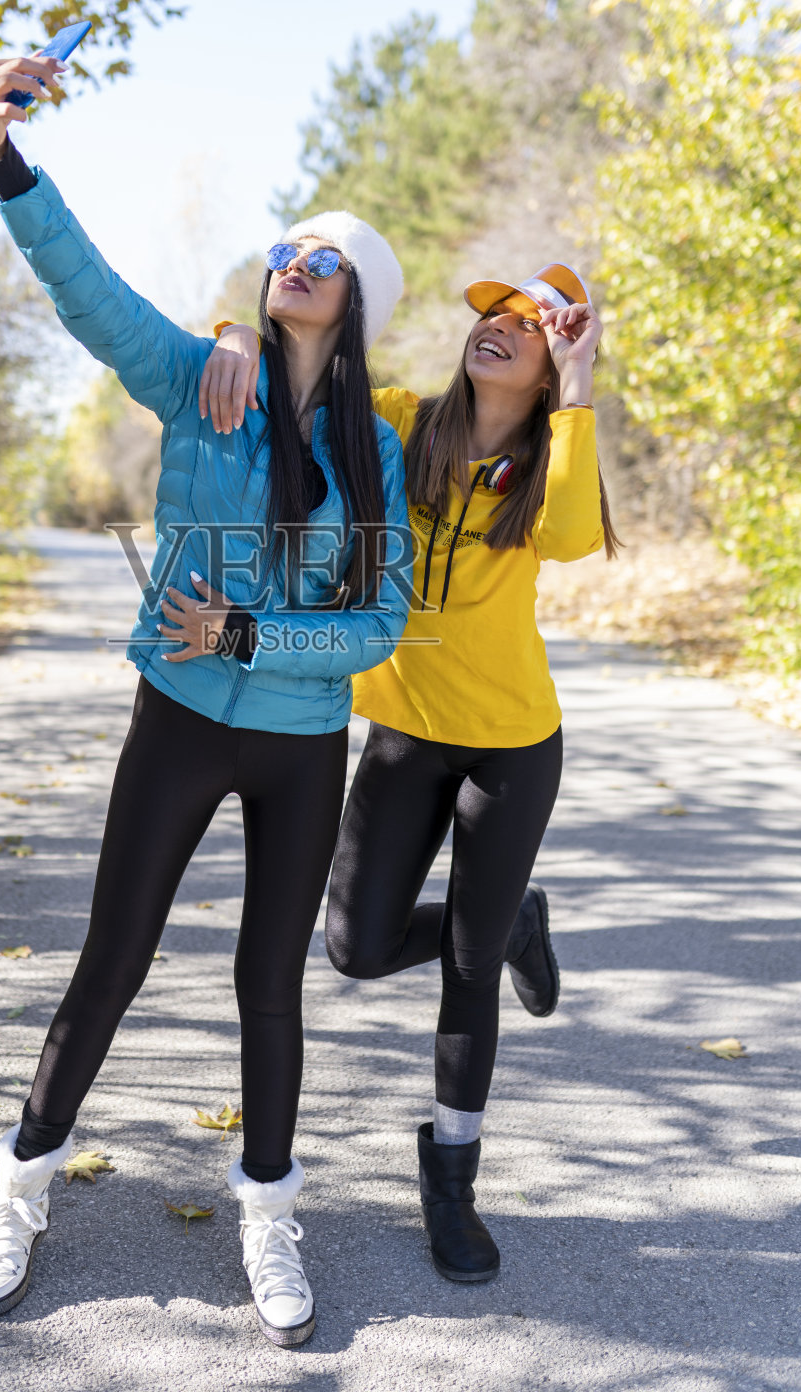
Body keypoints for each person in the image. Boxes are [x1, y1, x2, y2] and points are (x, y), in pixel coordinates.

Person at [0, 51, 412, 1346]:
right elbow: (86, 296)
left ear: (352, 303)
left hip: (298, 746)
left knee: (267, 984)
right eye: (283, 247)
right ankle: (20, 1192)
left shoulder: (373, 451)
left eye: (318, 260)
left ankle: (267, 1215)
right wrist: (5, 167)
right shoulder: (201, 380)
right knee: (111, 960)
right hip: (177, 720)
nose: (291, 262)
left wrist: (247, 628)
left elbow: (374, 631)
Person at [203, 261, 619, 1284]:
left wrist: (578, 384)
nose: (498, 327)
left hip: (512, 745)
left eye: (527, 325)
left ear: (547, 357)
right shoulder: (396, 420)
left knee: (466, 970)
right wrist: (234, 329)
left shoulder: (548, 456)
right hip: (400, 732)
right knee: (352, 946)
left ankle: (450, 1180)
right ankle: (514, 920)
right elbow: (296, 379)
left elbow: (569, 536)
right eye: (490, 314)